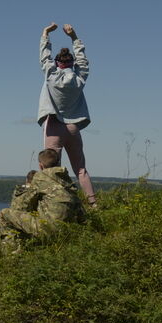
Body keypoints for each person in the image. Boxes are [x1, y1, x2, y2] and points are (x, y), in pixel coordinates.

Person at [38, 22, 96, 207]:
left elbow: (44, 57)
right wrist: (73, 36)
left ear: (58, 63)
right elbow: (83, 61)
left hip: (54, 124)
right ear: (72, 64)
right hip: (73, 127)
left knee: (51, 169)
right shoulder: (79, 78)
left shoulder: (51, 75)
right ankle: (93, 204)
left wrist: (46, 34)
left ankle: (57, 205)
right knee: (80, 169)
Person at [0, 149, 85, 247]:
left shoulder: (40, 177)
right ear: (58, 163)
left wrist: (21, 191)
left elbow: (22, 205)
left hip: (47, 229)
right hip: (67, 231)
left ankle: (12, 254)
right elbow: (80, 210)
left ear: (40, 165)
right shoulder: (67, 181)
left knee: (3, 214)